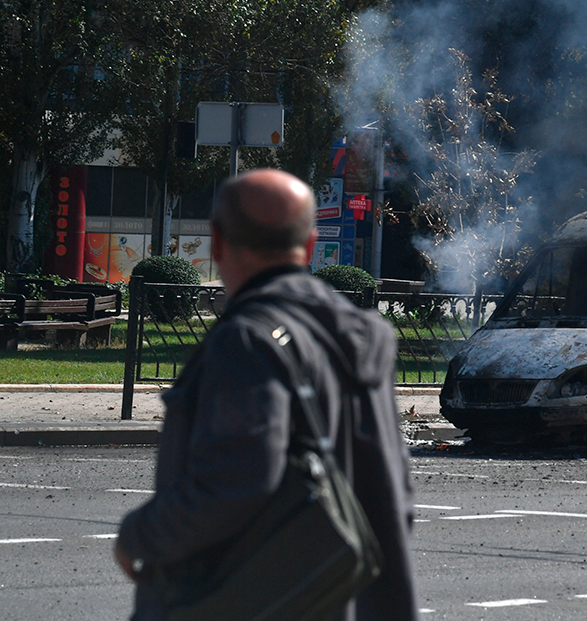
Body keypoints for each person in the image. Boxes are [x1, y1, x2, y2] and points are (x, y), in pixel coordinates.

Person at [115, 169, 419, 621]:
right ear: (311, 246)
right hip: (346, 597)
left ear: (217, 243)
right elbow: (398, 493)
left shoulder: (246, 342)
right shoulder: (363, 335)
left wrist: (138, 534)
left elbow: (237, 481)